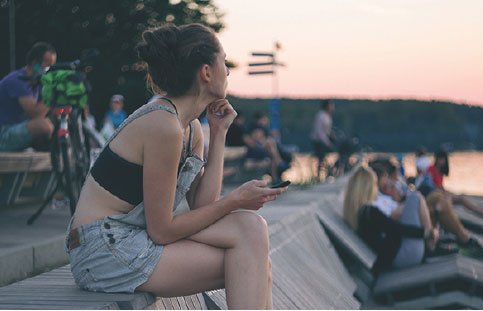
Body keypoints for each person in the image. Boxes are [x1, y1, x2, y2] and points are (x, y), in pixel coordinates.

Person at [65, 24, 287, 309]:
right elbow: (162, 230)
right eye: (224, 62)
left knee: (252, 228)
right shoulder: (163, 126)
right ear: (206, 72)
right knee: (251, 260)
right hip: (103, 249)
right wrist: (234, 201)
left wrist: (218, 134)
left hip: (133, 234)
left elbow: (203, 205)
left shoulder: (191, 128)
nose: (228, 72)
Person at [343, 166, 438, 272]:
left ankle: (431, 243)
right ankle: (431, 243)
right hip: (403, 257)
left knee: (414, 199)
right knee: (415, 197)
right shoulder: (369, 212)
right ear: (367, 187)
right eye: (374, 184)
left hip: (397, 257)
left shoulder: (359, 213)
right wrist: (427, 233)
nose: (376, 188)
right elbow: (396, 229)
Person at [0, 42, 57, 151]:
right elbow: (35, 114)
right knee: (44, 126)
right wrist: (53, 92)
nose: (51, 69)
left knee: (56, 121)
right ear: (35, 62)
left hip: (14, 129)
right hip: (3, 134)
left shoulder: (37, 81)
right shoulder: (18, 80)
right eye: (48, 64)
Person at [428, 149, 483, 220]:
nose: (442, 161)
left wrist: (448, 192)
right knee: (462, 199)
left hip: (441, 194)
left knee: (463, 199)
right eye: (440, 159)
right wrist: (448, 193)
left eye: (443, 159)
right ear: (436, 159)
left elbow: (439, 187)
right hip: (437, 196)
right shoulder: (432, 169)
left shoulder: (439, 171)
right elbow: (434, 186)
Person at [310, 99, 335, 178]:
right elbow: (319, 131)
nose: (332, 107)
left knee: (324, 158)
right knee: (320, 158)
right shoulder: (321, 116)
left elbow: (327, 130)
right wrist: (327, 142)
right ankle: (319, 176)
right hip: (318, 141)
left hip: (324, 140)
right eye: (331, 105)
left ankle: (327, 172)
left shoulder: (327, 116)